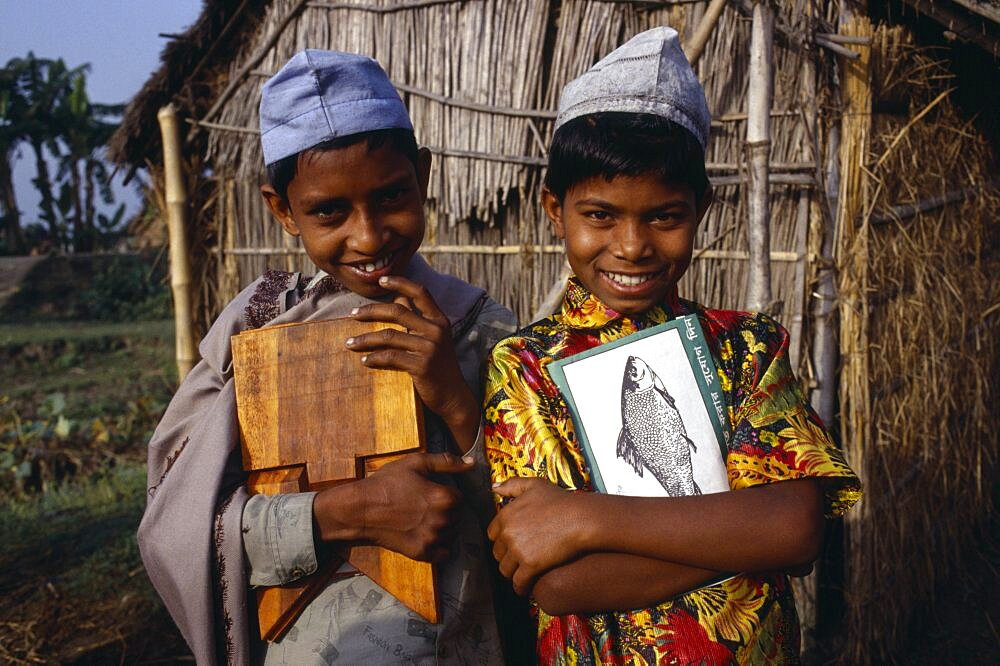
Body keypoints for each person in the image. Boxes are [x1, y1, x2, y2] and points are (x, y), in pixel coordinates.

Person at [484, 27, 862, 664]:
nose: (632, 246)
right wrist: (740, 537)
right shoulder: (526, 367)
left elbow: (797, 530)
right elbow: (560, 582)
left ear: (700, 210)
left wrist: (586, 518)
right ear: (556, 210)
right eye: (600, 215)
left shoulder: (747, 348)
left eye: (664, 216)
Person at [138, 49, 517, 665]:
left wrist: (454, 397)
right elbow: (177, 533)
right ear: (282, 210)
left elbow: (541, 514)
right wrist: (345, 513)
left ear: (423, 176)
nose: (367, 237)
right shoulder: (251, 331)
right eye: (329, 212)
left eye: (392, 196)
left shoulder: (479, 329)